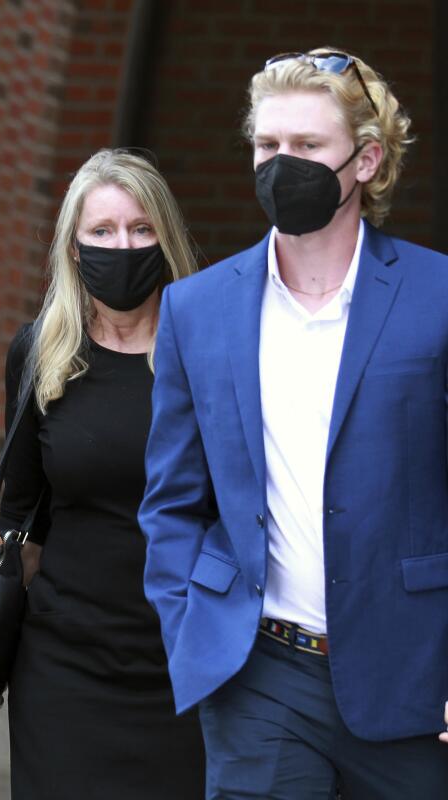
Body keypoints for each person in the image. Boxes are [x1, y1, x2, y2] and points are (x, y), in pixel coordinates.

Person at [139, 48, 448, 797]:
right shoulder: (197, 308)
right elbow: (172, 498)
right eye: (268, 146)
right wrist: (195, 633)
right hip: (260, 675)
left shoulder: (437, 296)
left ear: (366, 161)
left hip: (414, 679)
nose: (283, 164)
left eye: (308, 147)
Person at [0, 149, 204, 798]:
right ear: (75, 248)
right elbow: (22, 517)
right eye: (104, 232)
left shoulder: (206, 352)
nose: (124, 246)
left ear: (166, 241)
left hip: (186, 662)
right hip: (65, 665)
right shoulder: (42, 354)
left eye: (142, 230)